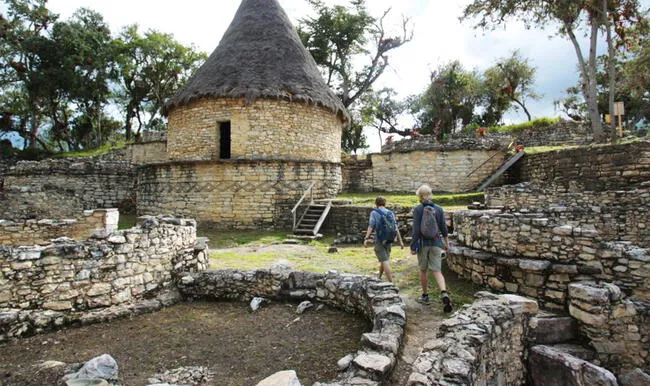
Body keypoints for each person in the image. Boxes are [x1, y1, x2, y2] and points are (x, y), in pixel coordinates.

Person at [410, 184, 452, 312]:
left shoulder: (418, 209)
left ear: (420, 196)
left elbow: (416, 230)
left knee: (423, 270)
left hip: (423, 244)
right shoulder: (438, 209)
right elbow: (444, 228)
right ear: (430, 195)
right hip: (436, 243)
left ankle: (425, 296)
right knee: (437, 270)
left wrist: (412, 245)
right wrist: (446, 243)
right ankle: (444, 293)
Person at [363, 196, 404, 283]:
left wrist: (366, 238)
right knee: (384, 259)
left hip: (380, 240)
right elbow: (395, 227)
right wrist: (400, 241)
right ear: (384, 203)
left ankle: (391, 283)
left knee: (385, 261)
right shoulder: (390, 213)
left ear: (376, 204)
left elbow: (371, 226)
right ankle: (380, 277)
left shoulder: (374, 213)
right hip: (389, 239)